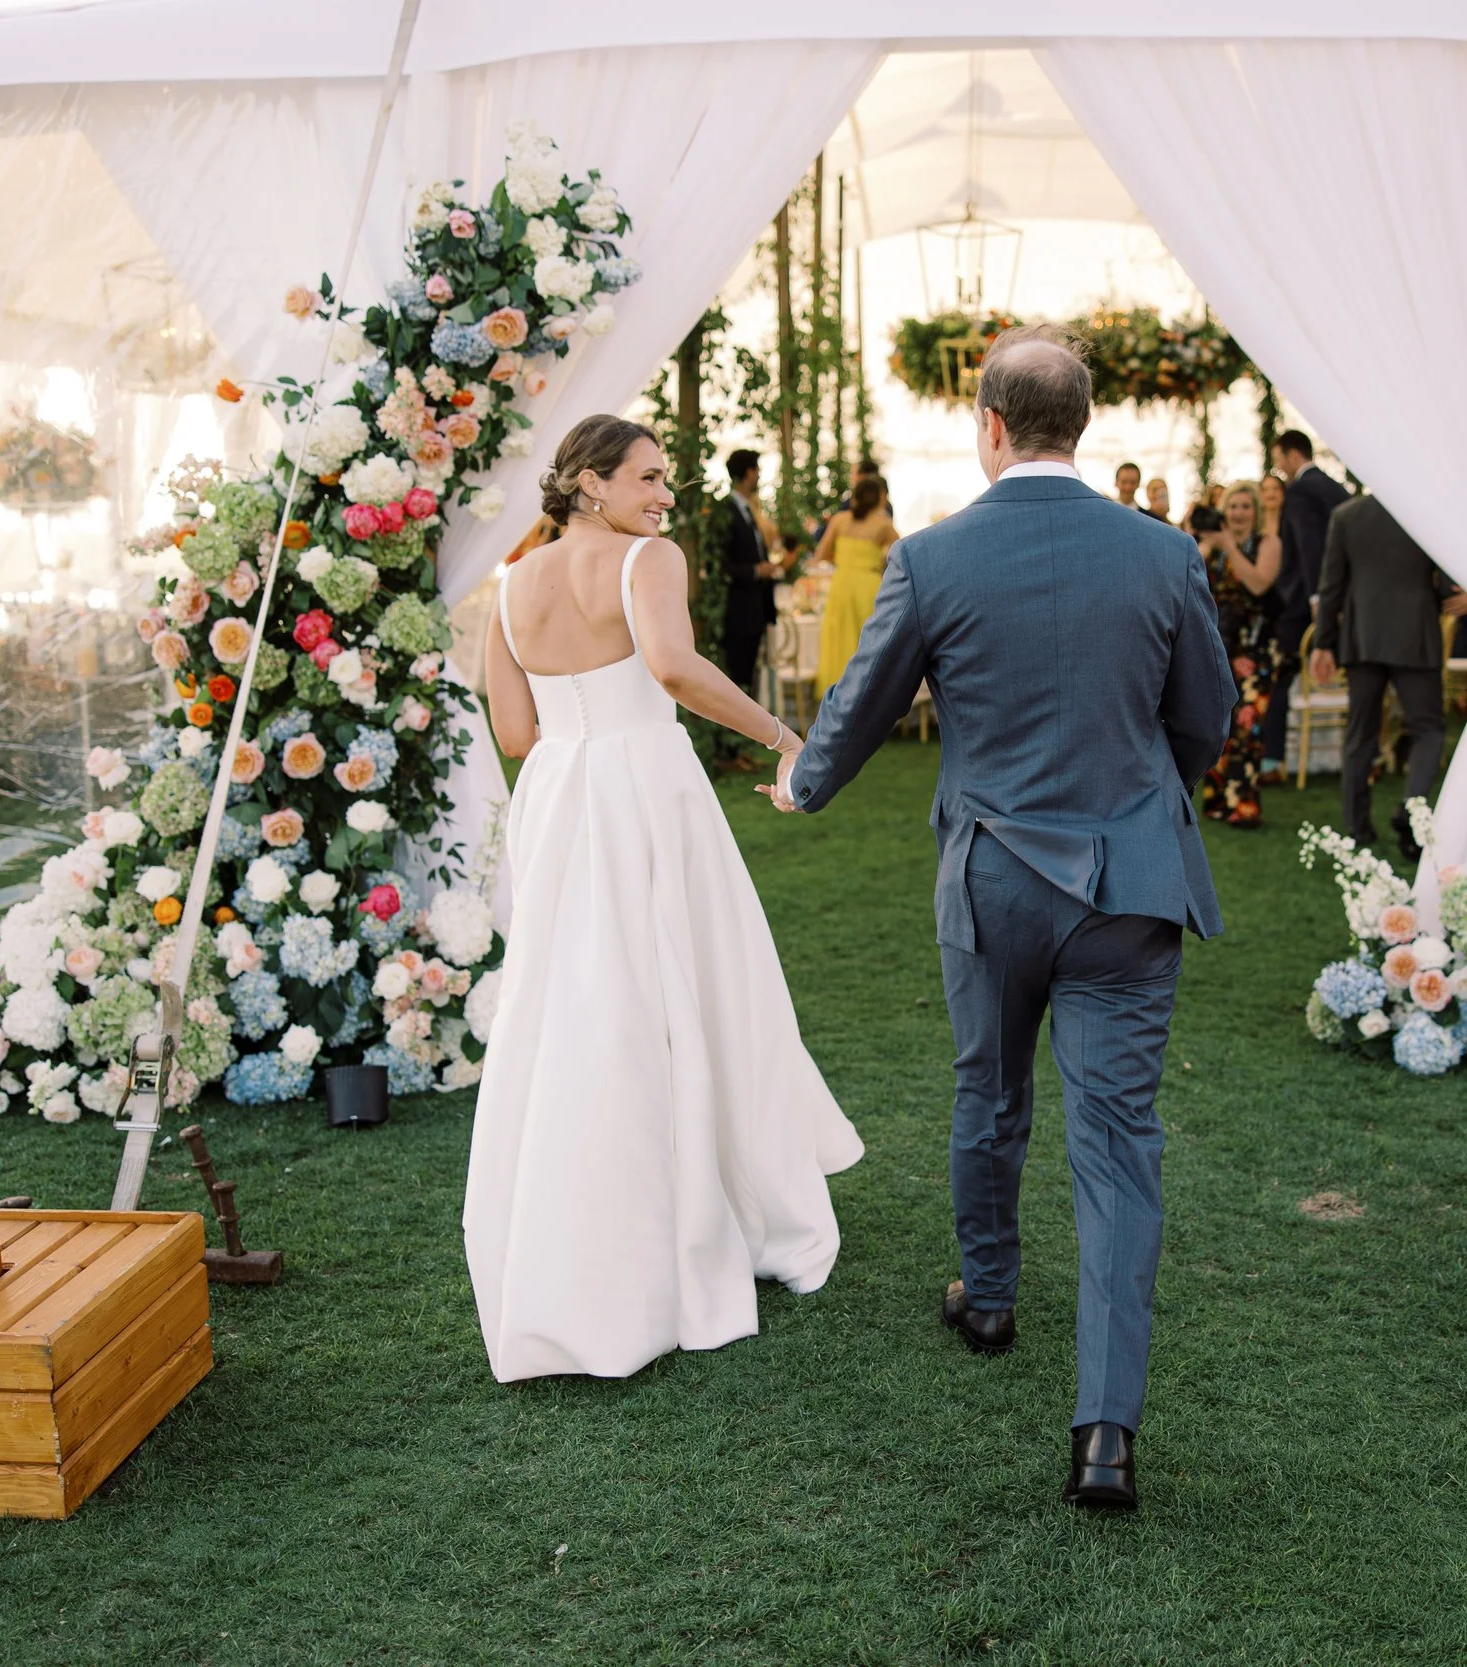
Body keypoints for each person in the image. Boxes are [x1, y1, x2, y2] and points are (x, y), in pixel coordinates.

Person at [770, 324, 1233, 1511]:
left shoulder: (936, 555)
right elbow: (1207, 718)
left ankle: (987, 1296)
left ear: (987, 426)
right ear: (1080, 426)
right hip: (1129, 887)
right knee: (1118, 1143)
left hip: (991, 882)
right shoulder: (1163, 552)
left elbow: (859, 706)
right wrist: (1140, 795)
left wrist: (802, 781)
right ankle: (1105, 1432)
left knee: (989, 1089)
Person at [467, 415, 864, 1384]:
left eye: (667, 482)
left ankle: (587, 1232)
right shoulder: (648, 559)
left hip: (558, 802)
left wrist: (576, 724)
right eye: (647, 477)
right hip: (646, 791)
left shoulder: (509, 586)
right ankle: (712, 1204)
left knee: (579, 1008)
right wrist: (784, 737)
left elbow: (514, 733)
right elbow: (674, 667)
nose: (663, 496)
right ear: (591, 482)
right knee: (697, 988)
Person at [1310, 494, 1466, 861]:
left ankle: (1356, 826)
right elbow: (1445, 583)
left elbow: (1331, 585)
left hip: (1363, 636)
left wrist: (1323, 643)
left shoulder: (1346, 514)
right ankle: (1412, 809)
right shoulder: (1425, 510)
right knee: (1429, 729)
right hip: (1415, 634)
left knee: (1360, 733)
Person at [1260, 429, 1350, 778]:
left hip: (1303, 602)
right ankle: (1368, 757)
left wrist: (1317, 598)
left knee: (1282, 675)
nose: (1279, 466)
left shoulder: (1300, 491)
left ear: (1292, 454)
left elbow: (1311, 548)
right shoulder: (1336, 489)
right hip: (1344, 596)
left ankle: (1271, 760)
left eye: (1279, 458)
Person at [1195, 482, 1284, 827]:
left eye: (1246, 506)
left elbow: (1259, 583)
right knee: (1220, 724)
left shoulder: (1267, 544)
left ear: (1256, 512)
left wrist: (1229, 547)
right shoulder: (1210, 549)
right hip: (1220, 648)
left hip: (1256, 648)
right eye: (1233, 506)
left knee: (1248, 723)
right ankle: (1218, 801)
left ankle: (1245, 806)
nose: (1238, 513)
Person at [814, 475, 899, 694]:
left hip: (842, 584)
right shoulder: (884, 524)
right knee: (867, 644)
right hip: (869, 587)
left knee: (840, 641)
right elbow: (900, 555)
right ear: (880, 498)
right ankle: (867, 695)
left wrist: (844, 561)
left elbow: (820, 554)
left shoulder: (839, 520)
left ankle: (838, 695)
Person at [711, 449, 784, 699]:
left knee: (749, 674)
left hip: (755, 609)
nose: (759, 476)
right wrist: (756, 570)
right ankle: (735, 734)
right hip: (739, 611)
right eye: (757, 471)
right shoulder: (725, 512)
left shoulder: (748, 511)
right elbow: (720, 564)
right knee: (737, 675)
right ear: (749, 473)